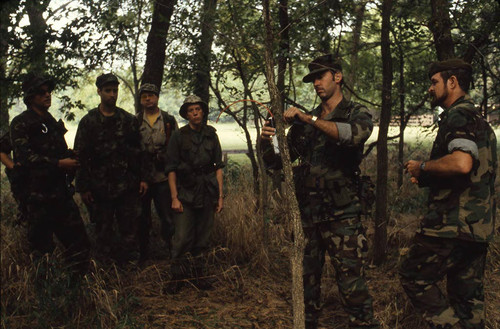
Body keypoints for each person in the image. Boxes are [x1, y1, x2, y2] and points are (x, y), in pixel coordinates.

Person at [260, 54, 379, 329]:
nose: (315, 83)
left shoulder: (354, 113)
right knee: (307, 284)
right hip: (308, 217)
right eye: (312, 79)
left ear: (337, 77)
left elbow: (355, 135)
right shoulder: (305, 125)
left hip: (343, 215)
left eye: (320, 77)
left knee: (352, 286)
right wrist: (268, 140)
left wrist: (310, 118)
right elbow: (280, 161)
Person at [400, 59, 497, 329]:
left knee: (413, 275)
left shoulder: (458, 115)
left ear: (452, 82)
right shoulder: (478, 119)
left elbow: (461, 163)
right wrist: (428, 175)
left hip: (451, 226)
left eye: (434, 82)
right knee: (467, 300)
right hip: (476, 227)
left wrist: (421, 166)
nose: (430, 89)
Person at [9, 73, 90, 273]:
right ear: (30, 97)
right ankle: (44, 296)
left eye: (49, 92)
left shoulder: (51, 121)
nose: (47, 95)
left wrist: (71, 156)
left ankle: (77, 289)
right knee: (42, 251)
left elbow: (57, 153)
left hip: (60, 194)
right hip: (38, 197)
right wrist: (59, 163)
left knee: (79, 244)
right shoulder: (21, 123)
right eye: (41, 93)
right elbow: (26, 158)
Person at [74, 73, 148, 264]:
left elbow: (139, 152)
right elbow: (80, 156)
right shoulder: (88, 122)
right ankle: (106, 272)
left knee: (130, 231)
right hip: (100, 188)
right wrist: (83, 188)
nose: (112, 95)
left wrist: (143, 178)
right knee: (103, 231)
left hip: (127, 187)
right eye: (108, 91)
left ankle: (131, 270)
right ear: (99, 92)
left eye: (115, 90)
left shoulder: (128, 120)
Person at [164, 95, 224, 293]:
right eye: (191, 110)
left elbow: (218, 168)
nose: (195, 113)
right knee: (182, 238)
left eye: (198, 109)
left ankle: (200, 276)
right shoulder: (178, 136)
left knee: (203, 239)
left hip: (207, 191)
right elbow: (171, 169)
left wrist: (220, 196)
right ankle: (176, 277)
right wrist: (174, 197)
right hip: (186, 192)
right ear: (186, 114)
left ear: (203, 111)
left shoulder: (211, 135)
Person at [136, 83, 178, 261]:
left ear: (157, 97)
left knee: (168, 218)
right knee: (141, 219)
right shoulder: (135, 121)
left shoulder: (168, 120)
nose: (148, 98)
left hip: (163, 178)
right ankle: (143, 255)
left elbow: (176, 149)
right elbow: (132, 151)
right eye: (144, 96)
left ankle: (173, 253)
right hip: (142, 179)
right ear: (140, 100)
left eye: (151, 95)